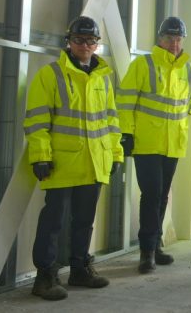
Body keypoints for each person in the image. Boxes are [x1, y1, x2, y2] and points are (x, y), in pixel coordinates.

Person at [117, 16, 191, 273]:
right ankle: (146, 251)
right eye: (170, 38)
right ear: (160, 39)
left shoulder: (187, 70)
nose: (175, 44)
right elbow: (125, 100)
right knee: (152, 195)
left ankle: (155, 246)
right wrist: (126, 134)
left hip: (173, 144)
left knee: (161, 197)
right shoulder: (143, 64)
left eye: (178, 39)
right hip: (146, 143)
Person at [24, 16, 123, 301]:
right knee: (53, 222)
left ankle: (80, 269)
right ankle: (45, 277)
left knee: (84, 221)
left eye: (91, 41)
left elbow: (111, 120)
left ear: (97, 44)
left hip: (94, 162)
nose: (85, 46)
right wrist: (41, 156)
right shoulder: (51, 75)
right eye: (79, 40)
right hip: (62, 164)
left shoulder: (104, 78)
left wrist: (115, 154)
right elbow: (37, 121)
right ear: (69, 42)